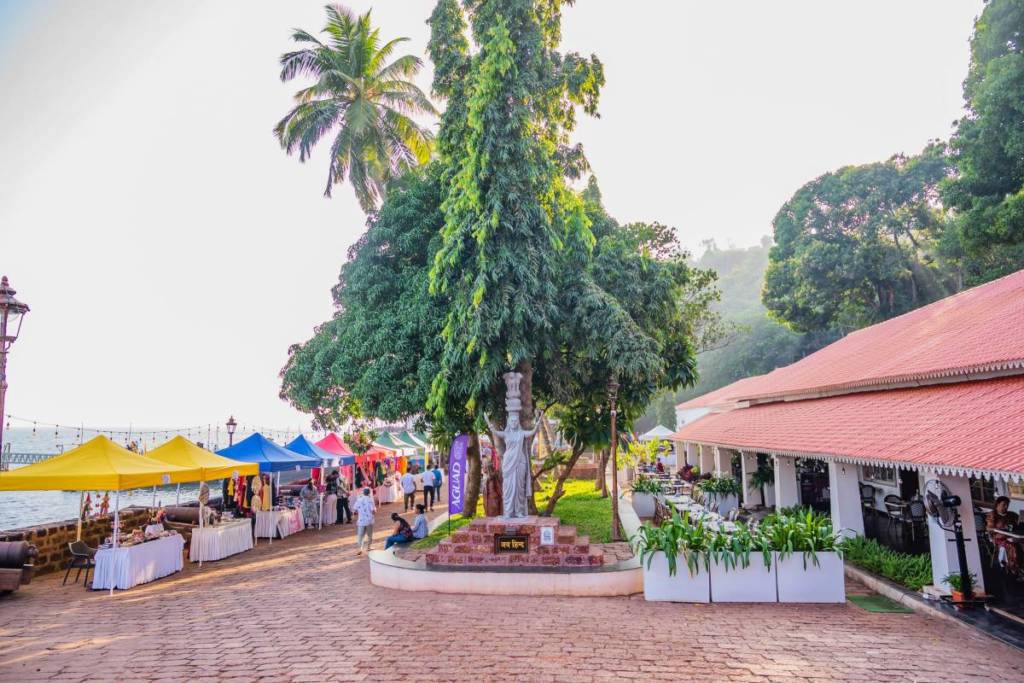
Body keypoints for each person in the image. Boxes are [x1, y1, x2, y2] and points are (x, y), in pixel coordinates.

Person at [987, 496, 1021, 575]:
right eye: (1004, 505)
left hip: (1013, 535)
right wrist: (1001, 530)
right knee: (1011, 546)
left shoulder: (1011, 514)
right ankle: (1014, 568)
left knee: (1022, 543)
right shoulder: (992, 515)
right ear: (997, 505)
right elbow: (989, 529)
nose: (1006, 507)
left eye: (1007, 505)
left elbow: (1020, 521)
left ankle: (1021, 566)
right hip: (999, 537)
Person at [353, 487, 376, 555]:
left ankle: (360, 548)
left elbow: (354, 509)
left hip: (361, 520)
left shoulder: (359, 500)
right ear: (369, 493)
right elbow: (373, 511)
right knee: (369, 535)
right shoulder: (370, 500)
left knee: (360, 535)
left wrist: (360, 511)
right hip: (369, 520)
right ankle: (369, 547)